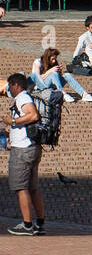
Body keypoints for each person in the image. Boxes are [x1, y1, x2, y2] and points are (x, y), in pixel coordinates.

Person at [3, 73, 46, 235]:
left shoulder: (22, 98)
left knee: (21, 187)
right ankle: (40, 224)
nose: (9, 89)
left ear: (15, 85)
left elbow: (32, 115)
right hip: (31, 147)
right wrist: (10, 132)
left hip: (22, 150)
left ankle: (27, 225)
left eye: (10, 86)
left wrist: (12, 122)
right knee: (33, 188)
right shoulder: (28, 96)